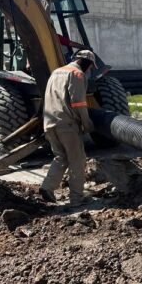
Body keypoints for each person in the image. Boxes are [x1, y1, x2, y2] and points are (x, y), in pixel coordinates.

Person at [38, 50, 96, 207]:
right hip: (67, 125)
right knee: (77, 160)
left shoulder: (56, 72)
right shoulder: (77, 74)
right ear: (87, 63)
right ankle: (76, 198)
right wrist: (86, 122)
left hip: (50, 123)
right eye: (90, 68)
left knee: (60, 157)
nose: (89, 71)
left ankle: (47, 187)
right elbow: (78, 102)